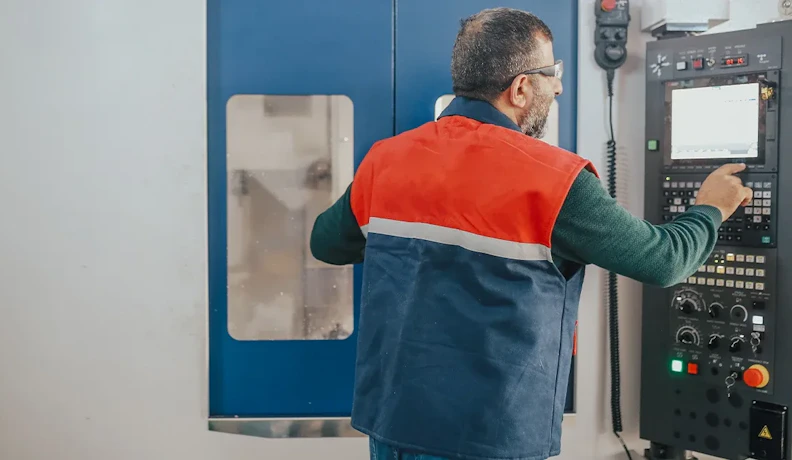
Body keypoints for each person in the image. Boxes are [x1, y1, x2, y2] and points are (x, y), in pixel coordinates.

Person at [310, 8, 752, 460]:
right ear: (521, 88)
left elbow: (325, 244)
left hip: (392, 424)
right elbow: (664, 261)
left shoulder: (387, 159)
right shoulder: (555, 180)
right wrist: (711, 207)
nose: (558, 86)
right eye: (552, 72)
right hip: (488, 435)